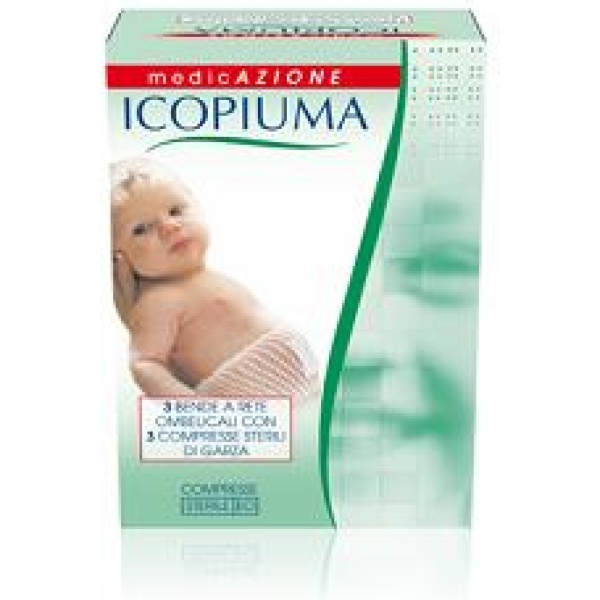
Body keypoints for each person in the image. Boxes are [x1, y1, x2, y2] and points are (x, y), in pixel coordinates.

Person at [111, 158, 318, 400]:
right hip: (253, 397)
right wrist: (194, 407)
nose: (170, 226)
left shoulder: (204, 277)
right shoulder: (158, 301)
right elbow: (145, 363)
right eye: (141, 229)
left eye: (175, 211)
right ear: (116, 257)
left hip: (302, 382)